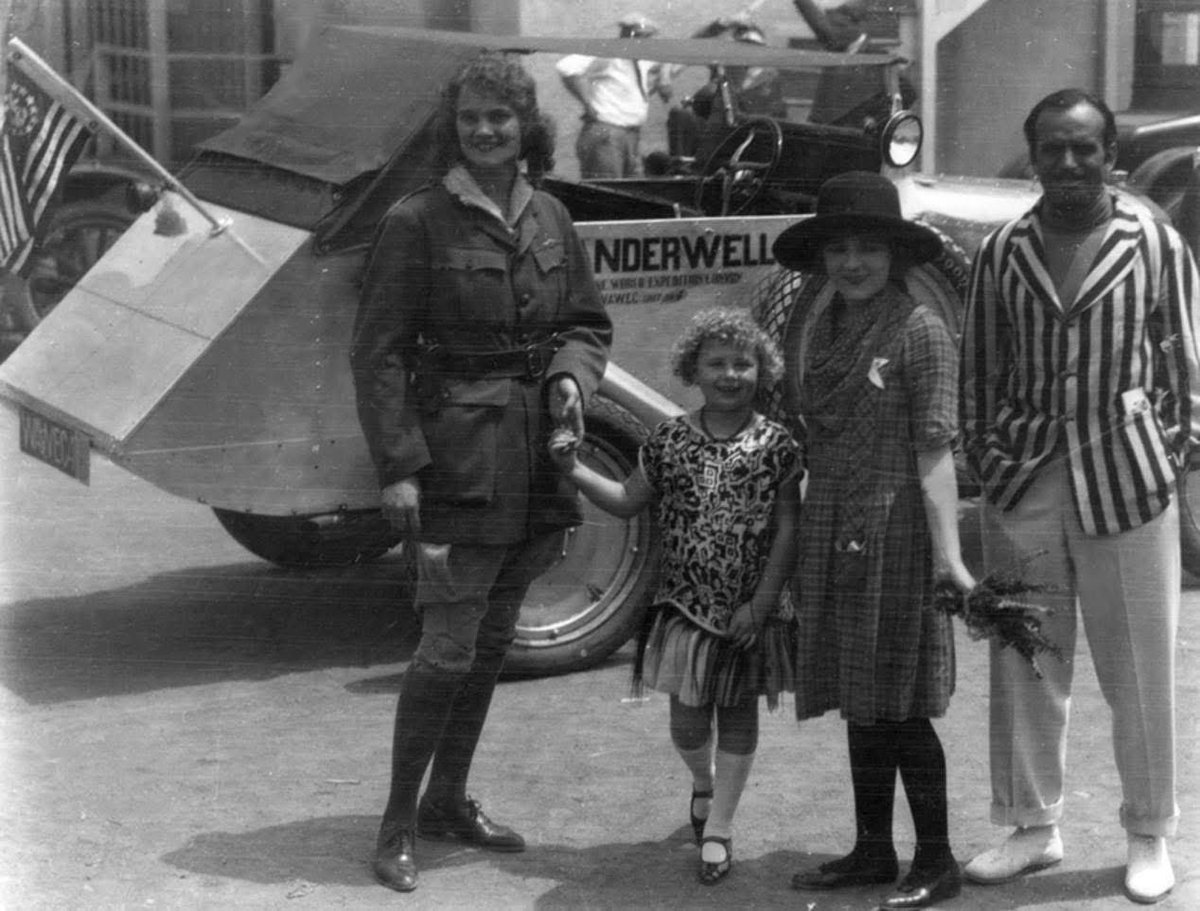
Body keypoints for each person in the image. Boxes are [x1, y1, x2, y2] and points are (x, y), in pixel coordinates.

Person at [350, 52, 612, 893]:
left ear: (525, 124)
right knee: (447, 646)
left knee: (494, 639)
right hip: (457, 460)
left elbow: (587, 322)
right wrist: (398, 467)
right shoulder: (418, 220)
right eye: (471, 118)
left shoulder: (552, 216)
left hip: (537, 458)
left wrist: (573, 373)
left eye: (500, 116)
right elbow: (379, 354)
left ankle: (449, 799)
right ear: (453, 128)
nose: (487, 130)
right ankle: (397, 820)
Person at [959, 87, 1200, 905]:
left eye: (1083, 148)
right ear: (1033, 157)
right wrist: (991, 463)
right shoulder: (1002, 250)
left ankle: (1148, 831)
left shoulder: (1153, 241)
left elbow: (1187, 366)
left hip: (1128, 484)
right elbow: (977, 369)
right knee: (1026, 653)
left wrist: (1169, 457)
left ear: (1110, 157)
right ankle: (1032, 824)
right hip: (1026, 476)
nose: (1067, 162)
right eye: (1053, 148)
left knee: (1139, 664)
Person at [774, 171, 975, 910]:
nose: (852, 262)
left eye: (867, 247)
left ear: (895, 254)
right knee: (861, 698)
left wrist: (951, 558)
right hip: (832, 522)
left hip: (896, 534)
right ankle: (869, 848)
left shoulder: (919, 330)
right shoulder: (821, 327)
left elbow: (935, 451)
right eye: (839, 248)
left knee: (898, 700)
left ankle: (937, 855)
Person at [548, 308, 800, 886]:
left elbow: (789, 529)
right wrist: (574, 468)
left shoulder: (778, 445)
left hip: (748, 610)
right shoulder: (669, 440)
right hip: (683, 606)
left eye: (744, 363)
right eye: (717, 362)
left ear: (762, 370)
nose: (731, 374)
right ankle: (704, 783)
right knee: (688, 725)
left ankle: (720, 828)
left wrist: (761, 605)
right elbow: (625, 500)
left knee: (737, 716)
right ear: (694, 369)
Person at [556, 13, 675, 178]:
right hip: (607, 134)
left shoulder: (639, 61)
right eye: (646, 38)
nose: (649, 44)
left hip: (629, 136)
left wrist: (665, 76)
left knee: (630, 192)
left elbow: (668, 56)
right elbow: (566, 67)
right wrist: (587, 103)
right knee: (608, 191)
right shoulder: (609, 53)